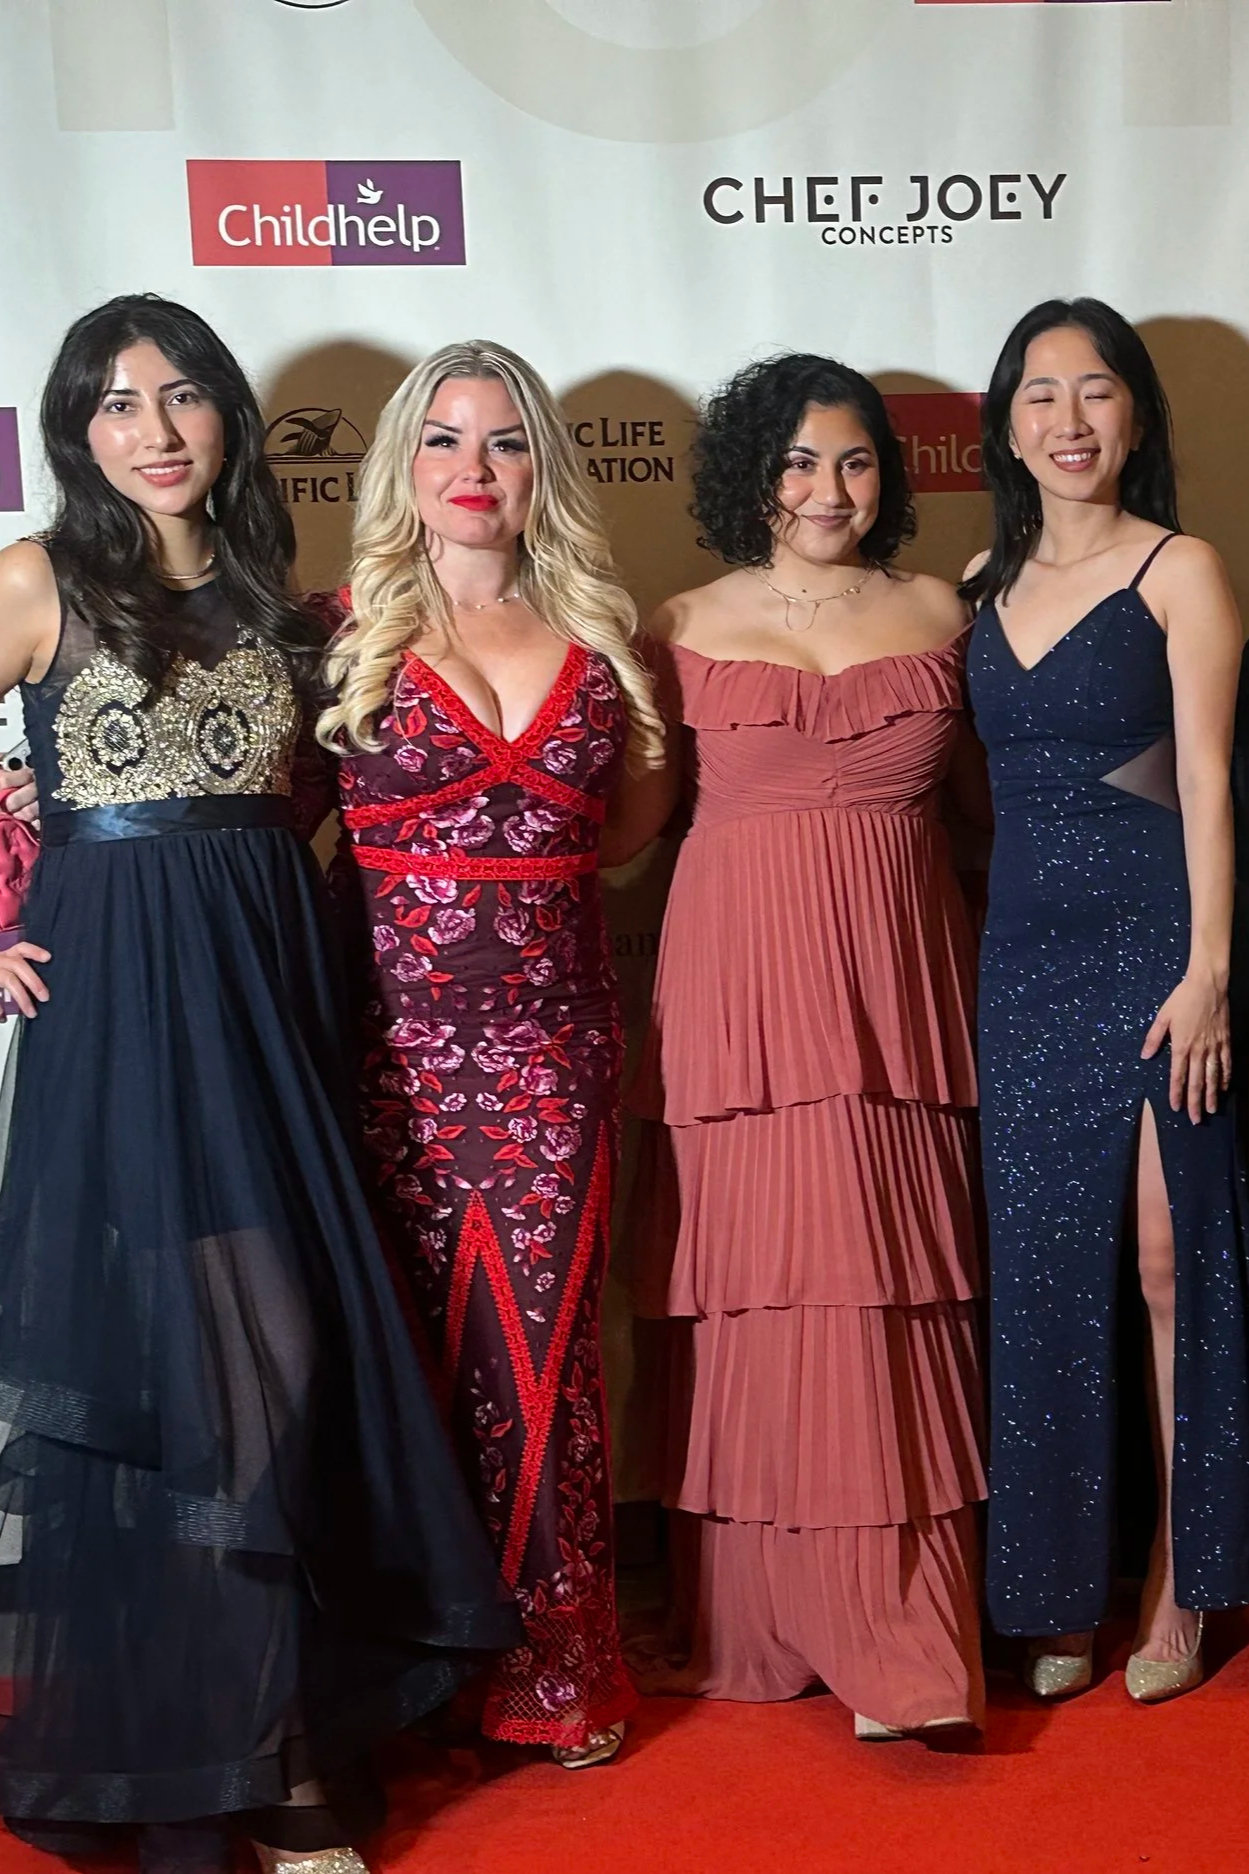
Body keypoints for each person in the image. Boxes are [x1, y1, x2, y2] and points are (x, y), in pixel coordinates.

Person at [0, 295, 520, 1874]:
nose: (152, 430)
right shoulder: (36, 578)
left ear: (226, 414)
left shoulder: (281, 600)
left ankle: (264, 1717)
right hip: (111, 995)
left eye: (179, 398)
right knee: (180, 1372)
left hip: (263, 987)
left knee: (282, 1361)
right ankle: (261, 1757)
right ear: (75, 431)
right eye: (114, 403)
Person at [312, 341, 669, 1767]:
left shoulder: (602, 639)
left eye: (506, 443)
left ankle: (554, 1655)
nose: (475, 470)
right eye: (446, 441)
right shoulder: (338, 633)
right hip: (390, 1057)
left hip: (559, 1055)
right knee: (401, 1350)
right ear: (404, 466)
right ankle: (416, 1658)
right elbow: (234, 825)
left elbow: (632, 828)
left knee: (545, 1353)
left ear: (541, 474)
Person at [630, 353, 987, 1737]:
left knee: (894, 1296)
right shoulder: (683, 619)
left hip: (899, 999)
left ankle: (903, 1638)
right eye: (792, 461)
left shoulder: (940, 611)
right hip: (738, 1006)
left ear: (885, 474)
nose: (825, 489)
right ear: (747, 477)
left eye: (849, 460)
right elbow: (631, 829)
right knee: (753, 1300)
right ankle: (761, 1618)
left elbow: (983, 812)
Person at [964, 297, 1249, 1703]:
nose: (1067, 421)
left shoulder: (1179, 570)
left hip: (1154, 953)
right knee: (1043, 1274)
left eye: (1094, 393)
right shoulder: (979, 581)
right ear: (1005, 421)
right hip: (1020, 968)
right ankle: (1054, 1583)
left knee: (1156, 1261)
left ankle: (1181, 1584)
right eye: (1038, 394)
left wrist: (1209, 972)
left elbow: (1205, 778)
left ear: (1135, 414)